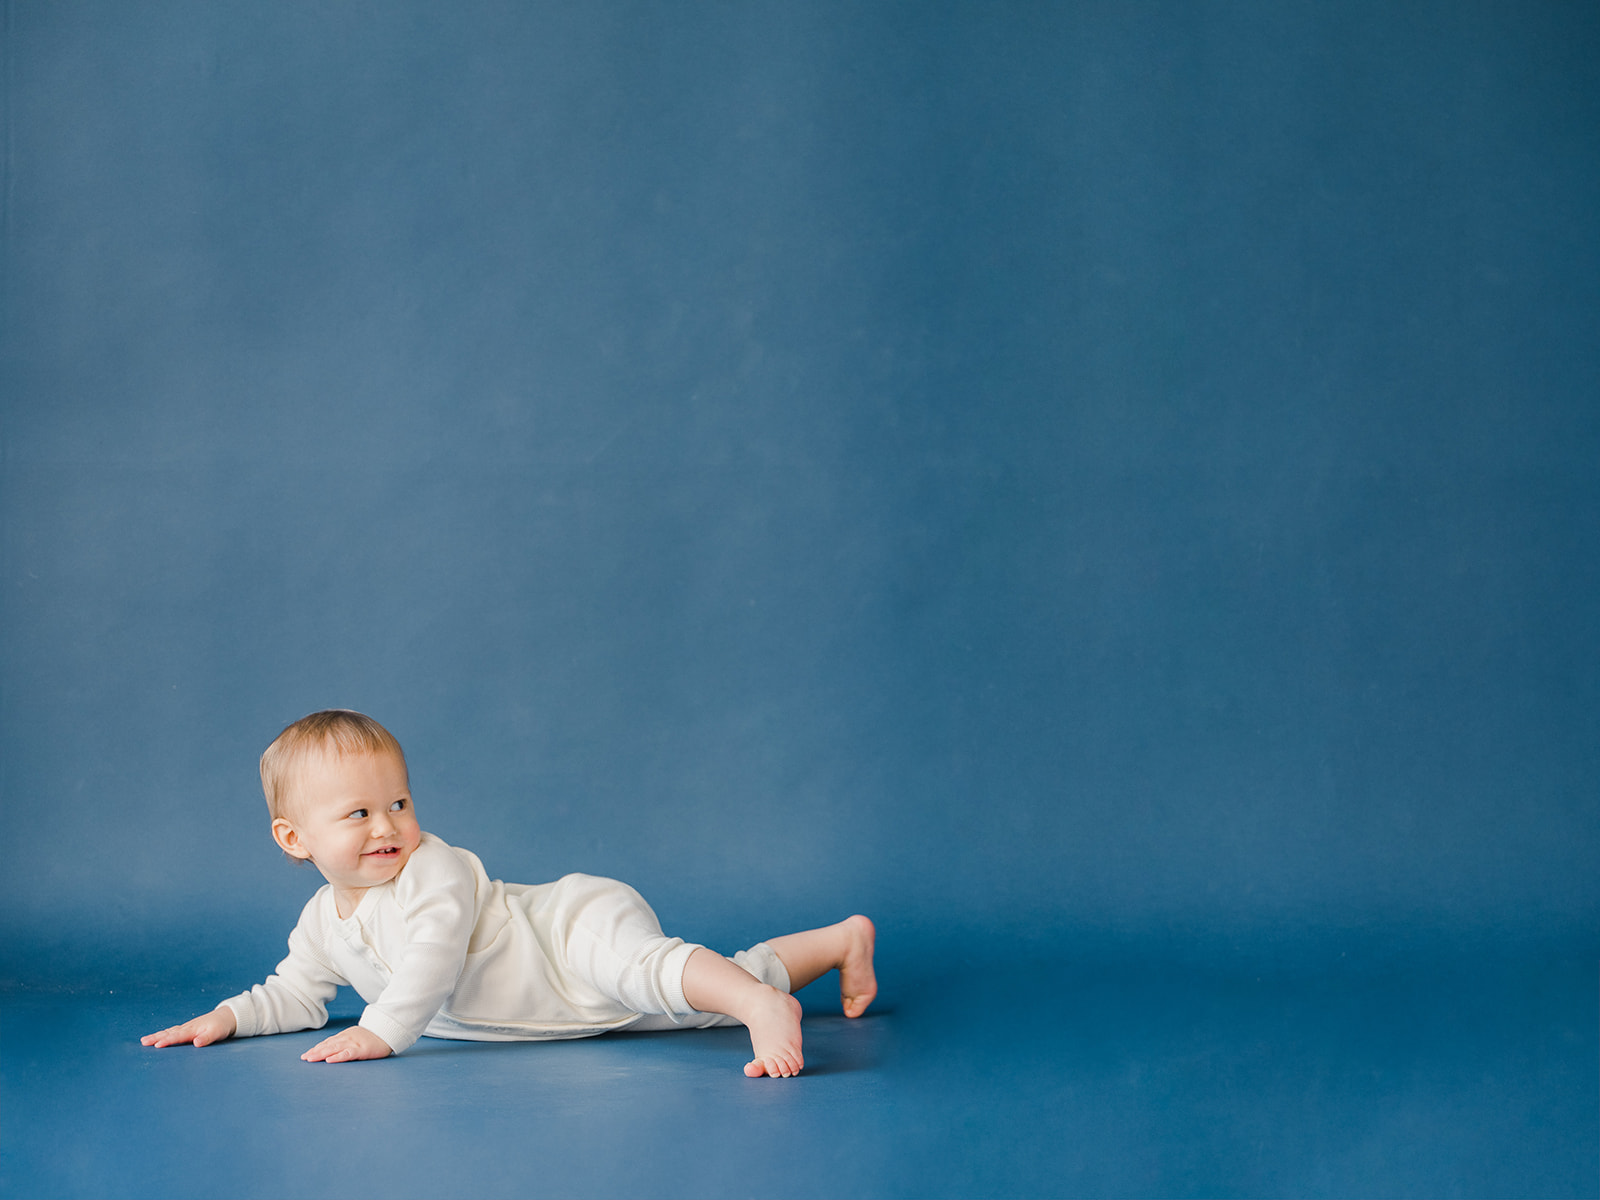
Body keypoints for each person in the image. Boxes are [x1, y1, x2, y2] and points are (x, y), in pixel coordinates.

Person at [142, 709, 876, 1078]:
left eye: (397, 802)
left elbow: (432, 959)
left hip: (565, 931)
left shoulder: (436, 869)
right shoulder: (321, 923)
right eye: (358, 813)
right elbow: (296, 993)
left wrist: (382, 1031)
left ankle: (761, 1005)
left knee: (641, 969)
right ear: (294, 838)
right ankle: (839, 942)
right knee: (700, 996)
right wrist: (230, 1018)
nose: (387, 826)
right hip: (564, 1012)